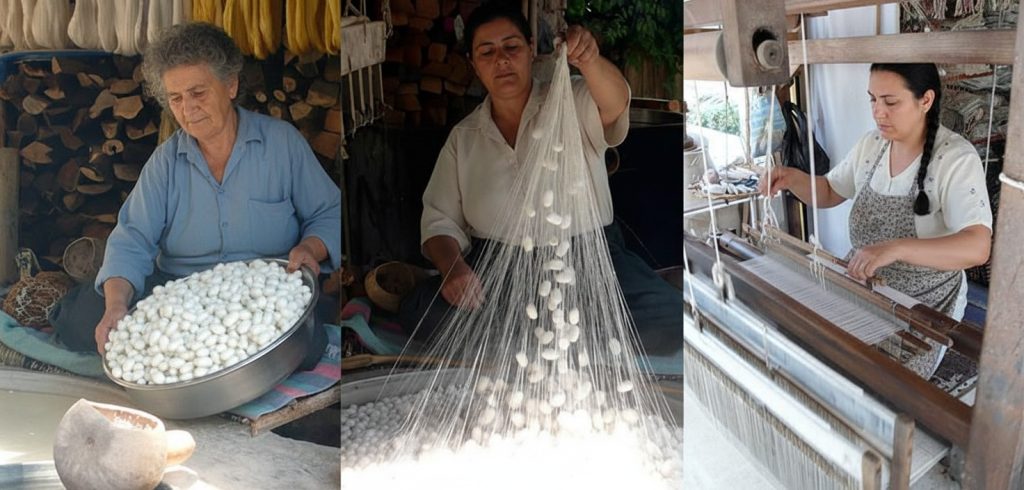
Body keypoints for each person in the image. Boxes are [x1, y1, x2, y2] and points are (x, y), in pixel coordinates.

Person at [49, 23, 342, 370]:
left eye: (198, 92)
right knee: (84, 318)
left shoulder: (282, 144)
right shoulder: (166, 162)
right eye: (176, 98)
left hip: (264, 294)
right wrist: (116, 305)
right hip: (180, 293)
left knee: (306, 346)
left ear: (231, 85)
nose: (188, 109)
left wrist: (310, 248)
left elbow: (328, 212)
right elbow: (132, 239)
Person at [397, 2, 682, 356]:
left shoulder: (570, 100)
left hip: (586, 258)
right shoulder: (464, 138)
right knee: (419, 311)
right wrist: (454, 270)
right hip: (499, 270)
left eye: (511, 47)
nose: (501, 59)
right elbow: (438, 222)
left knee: (671, 318)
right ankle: (561, 338)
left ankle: (534, 339)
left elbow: (614, 104)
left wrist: (590, 60)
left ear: (531, 49)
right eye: (487, 51)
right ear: (473, 64)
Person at [759, 63, 992, 375]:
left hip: (923, 305)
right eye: (873, 100)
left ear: (925, 100)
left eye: (890, 102)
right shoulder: (872, 145)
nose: (878, 112)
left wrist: (896, 248)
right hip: (862, 286)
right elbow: (829, 190)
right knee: (807, 348)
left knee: (876, 382)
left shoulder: (955, 159)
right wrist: (790, 178)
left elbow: (977, 246)